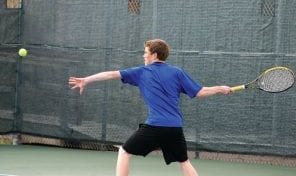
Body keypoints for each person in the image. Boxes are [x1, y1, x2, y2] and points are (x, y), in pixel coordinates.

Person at [68, 39, 231, 176]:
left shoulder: (142, 72)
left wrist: (86, 80)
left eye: (146, 52)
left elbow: (111, 74)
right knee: (184, 162)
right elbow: (200, 91)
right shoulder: (177, 72)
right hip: (175, 128)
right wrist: (220, 88)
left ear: (154, 55)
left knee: (124, 152)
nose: (143, 55)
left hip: (155, 127)